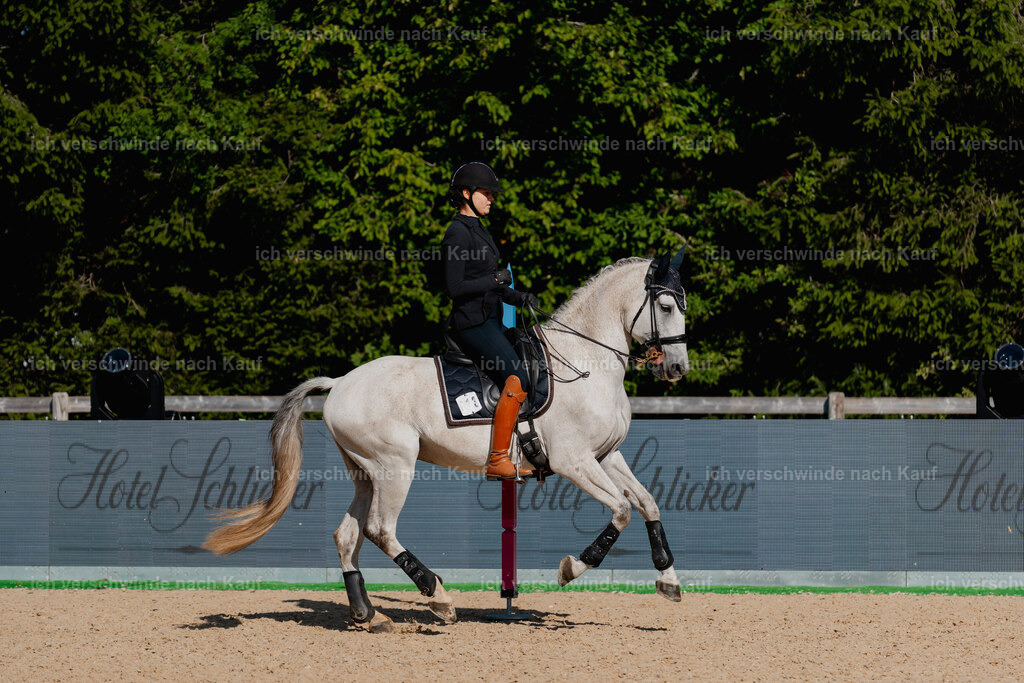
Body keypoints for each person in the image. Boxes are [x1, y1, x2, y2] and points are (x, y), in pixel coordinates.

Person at [442, 161, 539, 480]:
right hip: (470, 323)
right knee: (516, 377)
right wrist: (495, 281)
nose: (491, 199)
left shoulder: (480, 230)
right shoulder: (457, 233)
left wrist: (518, 297)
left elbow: (492, 285)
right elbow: (455, 288)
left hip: (491, 318)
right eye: (486, 193)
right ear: (466, 194)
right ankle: (498, 459)